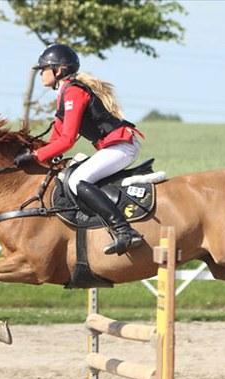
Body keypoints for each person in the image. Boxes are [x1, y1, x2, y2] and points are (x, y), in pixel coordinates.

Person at [14, 44, 144, 256]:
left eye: (43, 69)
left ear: (58, 70)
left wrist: (36, 156)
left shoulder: (74, 92)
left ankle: (124, 231)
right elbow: (55, 139)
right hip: (112, 147)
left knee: (77, 181)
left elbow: (66, 140)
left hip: (122, 146)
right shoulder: (65, 93)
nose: (41, 74)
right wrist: (33, 152)